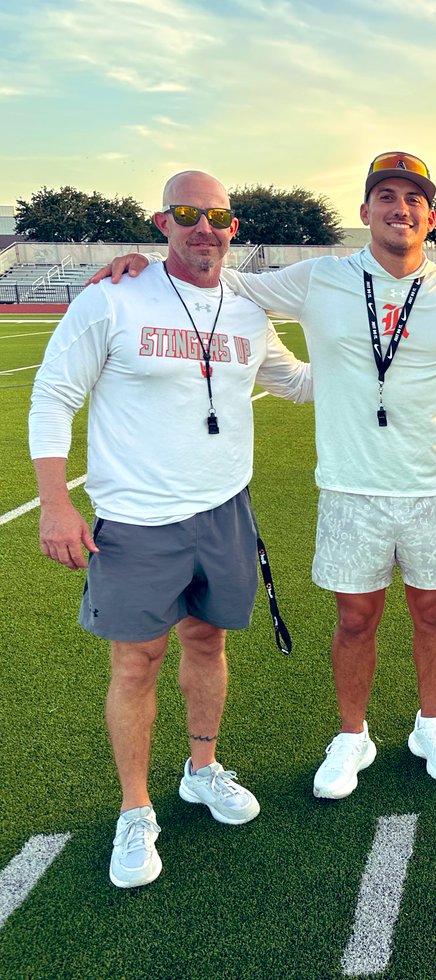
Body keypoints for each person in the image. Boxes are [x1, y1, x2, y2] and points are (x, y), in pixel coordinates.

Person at [103, 152, 436, 798]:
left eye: (414, 199)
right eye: (387, 197)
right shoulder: (319, 279)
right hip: (349, 487)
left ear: (431, 215)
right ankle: (351, 735)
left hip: (434, 488)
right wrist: (147, 267)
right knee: (354, 620)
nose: (401, 209)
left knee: (433, 612)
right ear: (365, 212)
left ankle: (431, 723)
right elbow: (214, 277)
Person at [30, 171, 312, 888]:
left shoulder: (247, 309)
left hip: (224, 508)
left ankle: (203, 766)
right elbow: (54, 393)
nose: (203, 228)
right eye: (188, 214)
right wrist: (56, 502)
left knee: (208, 640)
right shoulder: (115, 295)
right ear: (162, 222)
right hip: (137, 518)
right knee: (135, 662)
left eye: (216, 216)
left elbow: (299, 382)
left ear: (233, 228)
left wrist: (397, 363)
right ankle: (134, 809)